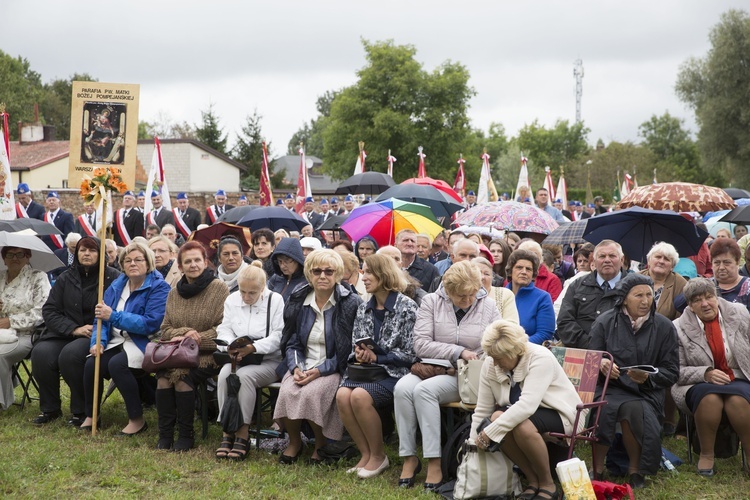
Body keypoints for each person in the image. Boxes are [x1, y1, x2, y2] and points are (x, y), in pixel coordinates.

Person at [395, 261, 501, 491]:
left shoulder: (489, 305)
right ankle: (409, 457)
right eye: (461, 296)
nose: (468, 301)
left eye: (472, 294)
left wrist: (470, 356)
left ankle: (434, 461)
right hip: (433, 367)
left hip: (468, 375)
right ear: (448, 291)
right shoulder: (431, 301)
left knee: (425, 391)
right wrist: (457, 351)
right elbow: (421, 344)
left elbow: (495, 344)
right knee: (402, 388)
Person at [471, 320, 584, 500]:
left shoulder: (541, 357)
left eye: (498, 358)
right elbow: (482, 408)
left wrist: (490, 431)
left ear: (514, 352)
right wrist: (472, 443)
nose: (494, 363)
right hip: (525, 413)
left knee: (520, 425)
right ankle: (533, 481)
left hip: (561, 413)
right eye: (491, 356)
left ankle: (548, 484)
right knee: (497, 416)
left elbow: (527, 406)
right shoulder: (491, 362)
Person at [589, 274, 679, 488]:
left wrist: (648, 377)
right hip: (609, 388)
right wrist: (601, 364)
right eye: (638, 295)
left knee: (633, 409)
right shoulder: (605, 322)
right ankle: (597, 468)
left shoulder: (664, 327)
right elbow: (591, 358)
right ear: (624, 298)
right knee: (605, 408)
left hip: (645, 391)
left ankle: (635, 470)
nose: (645, 300)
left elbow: (672, 371)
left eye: (649, 295)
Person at [274, 249, 362, 464]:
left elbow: (347, 349)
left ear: (338, 274)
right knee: (288, 391)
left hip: (334, 366)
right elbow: (292, 340)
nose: (322, 276)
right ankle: (295, 442)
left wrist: (319, 371)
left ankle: (321, 443)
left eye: (329, 271)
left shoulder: (350, 302)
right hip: (303, 363)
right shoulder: (299, 298)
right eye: (317, 271)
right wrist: (295, 367)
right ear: (308, 273)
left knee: (311, 393)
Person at [337, 254, 418, 479]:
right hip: (368, 371)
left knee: (359, 397)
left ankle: (379, 456)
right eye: (363, 271)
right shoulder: (364, 307)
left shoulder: (407, 307)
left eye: (369, 272)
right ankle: (365, 453)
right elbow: (357, 341)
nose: (364, 277)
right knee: (343, 395)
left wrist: (379, 358)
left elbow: (412, 354)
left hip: (396, 372)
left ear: (384, 274)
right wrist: (361, 354)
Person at [81, 241, 170, 434]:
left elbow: (150, 323)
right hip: (116, 339)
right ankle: (91, 415)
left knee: (117, 364)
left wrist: (114, 316)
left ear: (148, 262)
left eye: (138, 259)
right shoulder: (116, 285)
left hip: (144, 341)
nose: (132, 264)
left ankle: (136, 419)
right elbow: (100, 318)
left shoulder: (159, 287)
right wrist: (98, 342)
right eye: (127, 260)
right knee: (92, 363)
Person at [32, 237, 120, 426]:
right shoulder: (66, 277)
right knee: (41, 353)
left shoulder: (113, 277)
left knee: (70, 356)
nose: (86, 254)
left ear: (101, 254)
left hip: (95, 333)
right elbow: (50, 310)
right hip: (67, 332)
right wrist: (73, 329)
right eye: (82, 250)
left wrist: (94, 328)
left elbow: (117, 310)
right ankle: (50, 408)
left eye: (92, 250)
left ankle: (82, 411)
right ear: (76, 254)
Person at [672, 277, 750, 476]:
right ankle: (706, 454)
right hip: (696, 382)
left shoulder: (739, 313)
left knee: (737, 401)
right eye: (697, 300)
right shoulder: (678, 327)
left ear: (717, 297)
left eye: (709, 297)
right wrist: (705, 373)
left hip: (738, 377)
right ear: (689, 306)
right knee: (710, 400)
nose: (705, 303)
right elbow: (675, 370)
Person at [156, 241, 229, 450]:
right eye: (187, 261)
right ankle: (165, 434)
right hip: (176, 352)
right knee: (162, 378)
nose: (193, 265)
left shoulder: (219, 289)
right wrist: (184, 334)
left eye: (197, 260)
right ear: (180, 266)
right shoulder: (174, 293)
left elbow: (223, 329)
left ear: (205, 262)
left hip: (207, 354)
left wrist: (196, 339)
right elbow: (166, 328)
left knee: (182, 379)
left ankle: (186, 434)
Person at [214, 264, 285, 460]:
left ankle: (242, 434)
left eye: (252, 293)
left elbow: (279, 336)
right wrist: (229, 346)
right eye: (243, 291)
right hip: (238, 358)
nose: (246, 297)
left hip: (269, 360)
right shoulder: (232, 299)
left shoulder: (275, 300)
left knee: (244, 377)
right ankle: (227, 431)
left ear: (263, 288)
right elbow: (224, 329)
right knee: (224, 374)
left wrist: (254, 348)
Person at [0, 246, 51, 410]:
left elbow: (43, 311)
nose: (15, 258)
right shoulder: (0, 277)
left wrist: (11, 321)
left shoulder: (38, 277)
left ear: (28, 256)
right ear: (4, 259)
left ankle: (1, 402)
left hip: (26, 335)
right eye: (10, 254)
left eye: (20, 254)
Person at [556, 240, 627, 348]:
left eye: (612, 256)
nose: (607, 260)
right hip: (582, 352)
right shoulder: (577, 286)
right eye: (602, 256)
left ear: (622, 260)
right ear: (593, 261)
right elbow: (565, 321)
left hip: (621, 356)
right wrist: (591, 347)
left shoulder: (634, 287)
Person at [505, 249, 555, 344]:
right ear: (510, 271)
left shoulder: (542, 298)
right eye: (519, 267)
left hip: (529, 351)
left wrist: (517, 347)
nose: (524, 272)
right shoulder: (501, 294)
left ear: (533, 275)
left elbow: (544, 334)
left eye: (528, 269)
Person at [640, 242, 686, 321]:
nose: (661, 261)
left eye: (666, 259)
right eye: (658, 257)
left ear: (672, 266)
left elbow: (681, 317)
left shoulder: (681, 284)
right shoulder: (636, 278)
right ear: (649, 261)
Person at [472, 257, 519, 323]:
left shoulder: (505, 294)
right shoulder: (463, 295)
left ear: (492, 278)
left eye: (486, 274)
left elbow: (512, 324)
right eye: (478, 273)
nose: (482, 277)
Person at [709, 238, 750, 311]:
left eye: (726, 262)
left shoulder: (748, 287)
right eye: (717, 263)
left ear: (737, 262)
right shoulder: (705, 287)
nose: (721, 267)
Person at [267, 237, 306, 302]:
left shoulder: (305, 282)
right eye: (280, 261)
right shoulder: (275, 278)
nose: (282, 266)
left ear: (297, 260)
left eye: (286, 261)